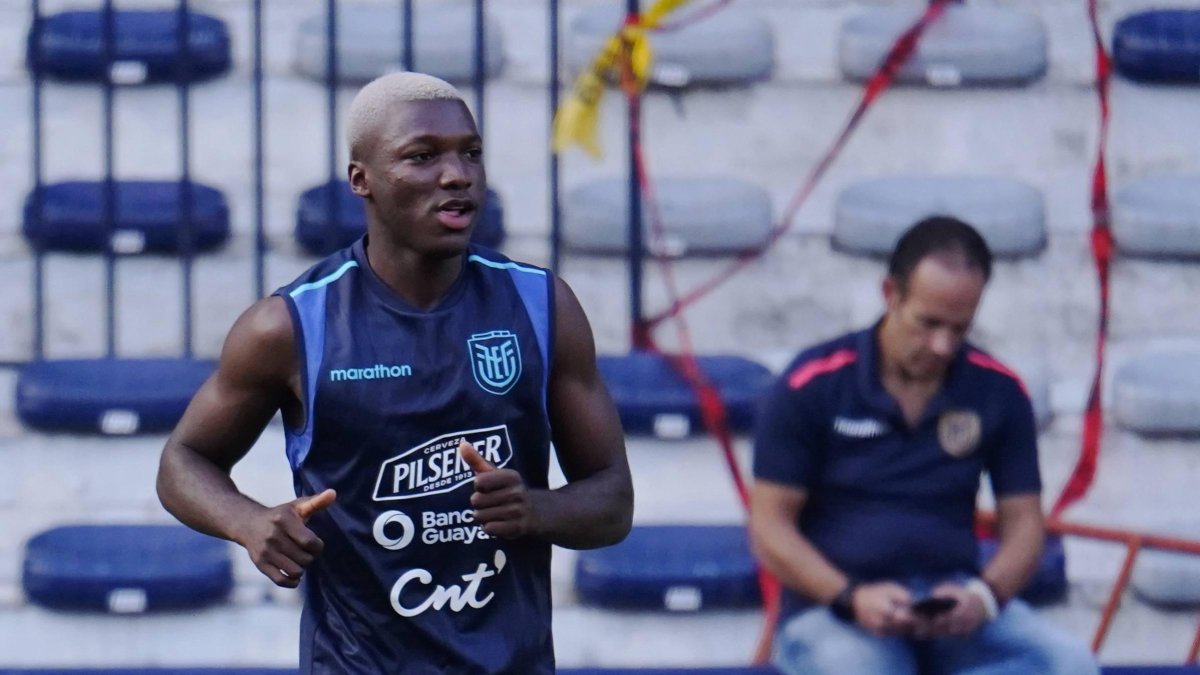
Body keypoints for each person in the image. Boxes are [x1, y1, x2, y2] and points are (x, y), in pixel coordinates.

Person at [157, 72, 633, 674]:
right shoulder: (290, 327)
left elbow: (613, 500)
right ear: (363, 180)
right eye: (422, 156)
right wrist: (248, 521)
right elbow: (183, 461)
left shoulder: (541, 306)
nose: (457, 174)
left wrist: (536, 509)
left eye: (471, 153)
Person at [750, 216, 1098, 675]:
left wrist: (984, 596)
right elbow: (769, 527)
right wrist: (850, 596)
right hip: (831, 610)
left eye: (960, 328)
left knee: (1071, 665)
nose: (942, 345)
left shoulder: (999, 390)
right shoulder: (811, 384)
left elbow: (1025, 524)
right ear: (890, 294)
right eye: (928, 323)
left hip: (949, 601)